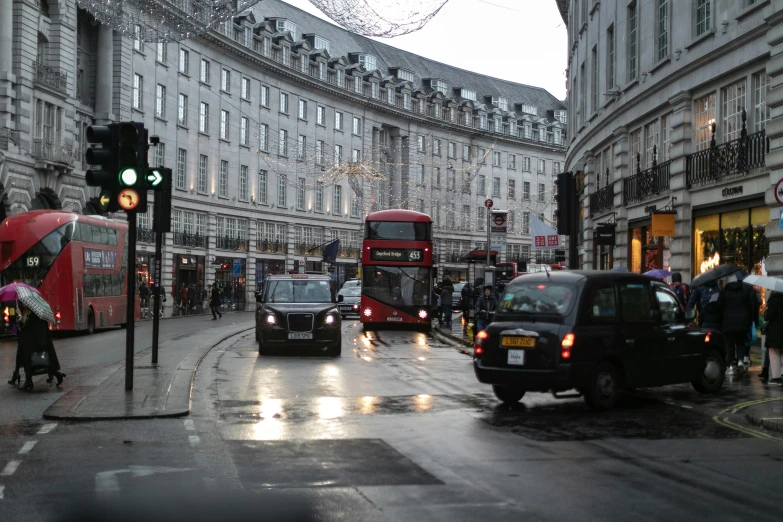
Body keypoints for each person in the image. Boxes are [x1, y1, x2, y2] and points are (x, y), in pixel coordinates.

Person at [717, 273, 758, 375]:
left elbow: (719, 307)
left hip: (728, 322)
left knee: (730, 344)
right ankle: (740, 361)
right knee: (740, 342)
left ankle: (730, 365)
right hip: (742, 322)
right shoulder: (744, 291)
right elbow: (750, 306)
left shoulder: (724, 292)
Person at [16, 304, 65, 390]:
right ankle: (58, 374)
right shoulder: (35, 311)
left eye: (24, 303)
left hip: (36, 343)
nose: (23, 304)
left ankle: (28, 381)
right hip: (39, 341)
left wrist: (20, 317)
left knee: (28, 358)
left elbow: (27, 328)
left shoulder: (33, 313)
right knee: (46, 362)